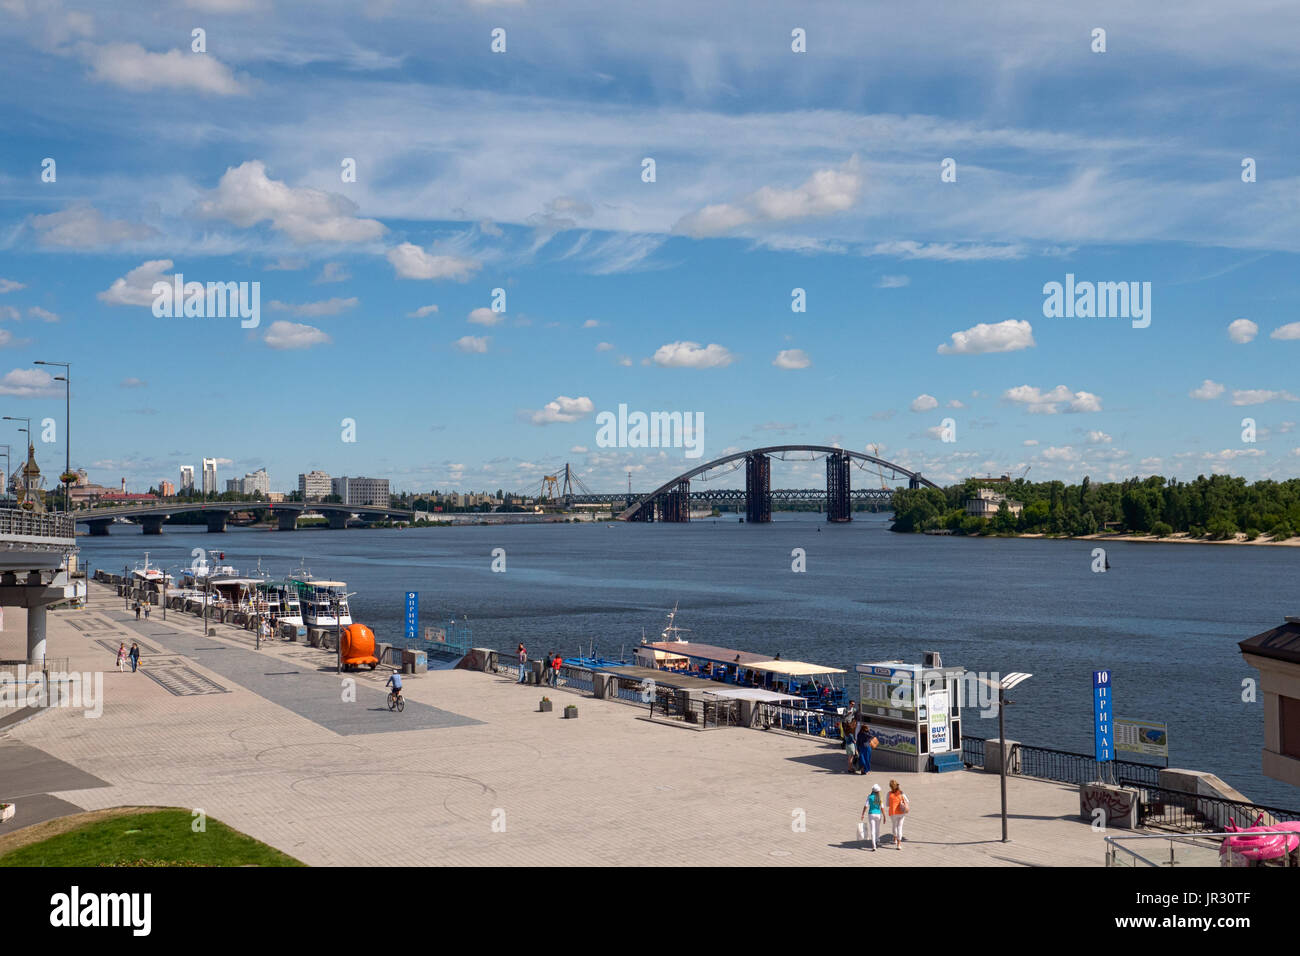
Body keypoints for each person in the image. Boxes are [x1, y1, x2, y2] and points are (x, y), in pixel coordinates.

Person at [861, 783, 885, 850]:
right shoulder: (879, 797)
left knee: (872, 830)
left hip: (871, 814)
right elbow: (882, 807)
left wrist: (862, 814)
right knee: (878, 828)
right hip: (878, 814)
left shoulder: (869, 796)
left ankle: (874, 845)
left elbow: (866, 806)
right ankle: (877, 840)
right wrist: (884, 816)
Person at [887, 779, 909, 850]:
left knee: (894, 826)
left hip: (893, 812)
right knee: (900, 827)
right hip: (901, 812)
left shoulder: (889, 794)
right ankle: (899, 844)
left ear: (890, 787)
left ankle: (895, 839)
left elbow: (887, 804)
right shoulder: (901, 793)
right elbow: (907, 801)